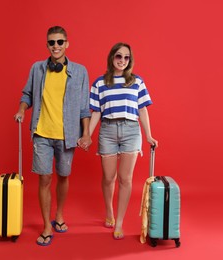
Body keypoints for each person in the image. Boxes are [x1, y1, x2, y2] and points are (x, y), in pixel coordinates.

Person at [14, 26, 91, 246]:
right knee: (44, 178)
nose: (55, 46)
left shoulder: (80, 71)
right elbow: (26, 94)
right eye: (51, 42)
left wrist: (85, 133)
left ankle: (59, 215)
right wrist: (21, 109)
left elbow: (84, 108)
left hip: (67, 135)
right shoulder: (37, 69)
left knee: (63, 175)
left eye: (59, 42)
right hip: (41, 133)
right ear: (47, 45)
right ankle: (47, 225)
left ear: (67, 44)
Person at [84, 42, 158, 240]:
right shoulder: (100, 83)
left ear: (130, 60)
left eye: (126, 57)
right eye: (119, 56)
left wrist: (149, 135)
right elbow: (96, 112)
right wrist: (87, 135)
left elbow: (142, 109)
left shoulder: (136, 81)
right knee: (109, 177)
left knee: (126, 179)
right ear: (112, 58)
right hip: (107, 129)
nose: (122, 61)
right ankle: (109, 210)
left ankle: (119, 222)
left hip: (131, 131)